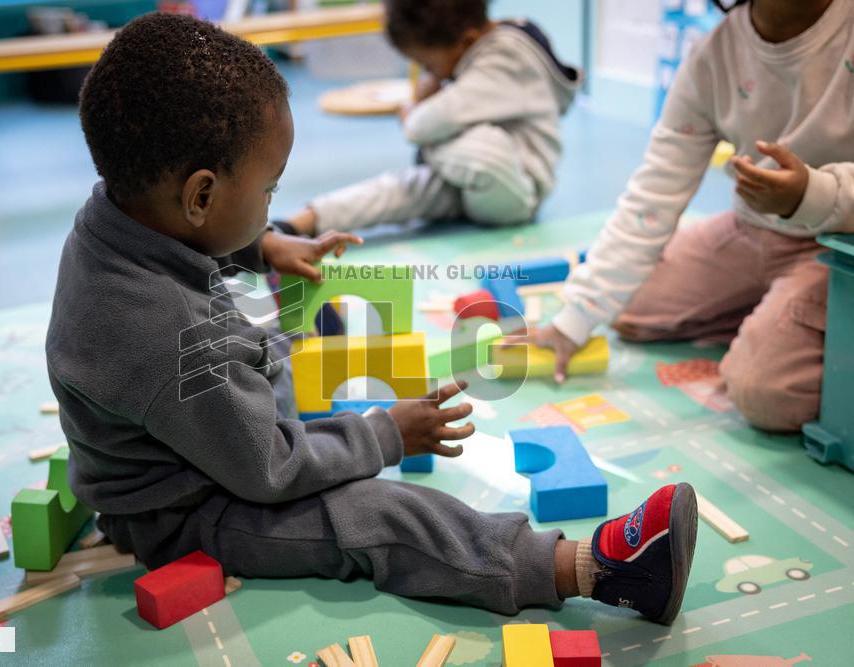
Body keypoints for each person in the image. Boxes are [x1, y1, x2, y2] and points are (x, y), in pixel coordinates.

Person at [46, 12, 697, 624]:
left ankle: (306, 394)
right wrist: (385, 433)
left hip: (211, 429)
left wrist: (263, 243)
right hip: (190, 511)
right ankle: (594, 568)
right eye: (269, 189)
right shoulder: (168, 338)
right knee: (374, 516)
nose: (274, 199)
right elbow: (269, 470)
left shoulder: (116, 215)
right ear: (201, 195)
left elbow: (191, 251)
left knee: (301, 317)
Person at [537, 0, 854, 432]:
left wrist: (813, 195)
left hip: (836, 249)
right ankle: (774, 316)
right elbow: (654, 192)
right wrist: (575, 319)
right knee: (624, 307)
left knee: (764, 394)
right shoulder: (713, 54)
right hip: (752, 231)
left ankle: (786, 326)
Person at [280, 0, 581, 236]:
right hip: (468, 178)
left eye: (428, 64)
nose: (430, 75)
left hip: (516, 191)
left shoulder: (506, 60)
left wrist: (413, 110)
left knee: (482, 146)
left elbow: (423, 125)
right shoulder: (473, 52)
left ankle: (432, 151)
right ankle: (303, 221)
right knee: (401, 190)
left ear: (466, 42)